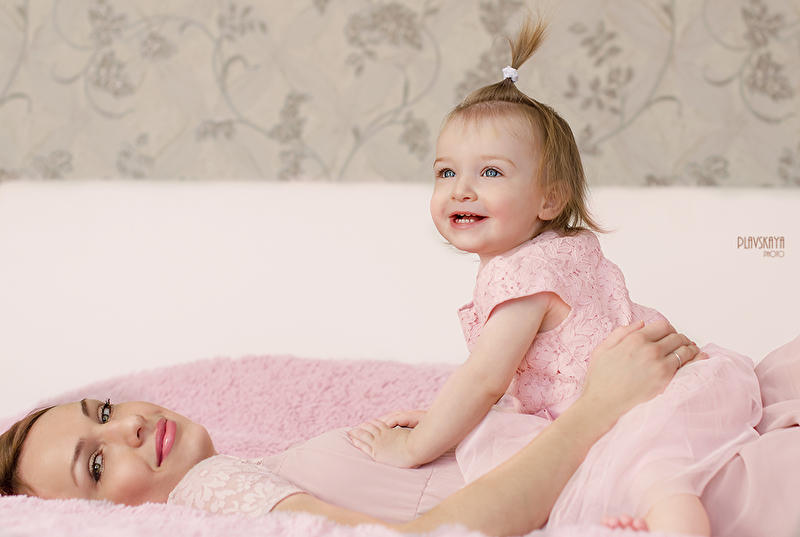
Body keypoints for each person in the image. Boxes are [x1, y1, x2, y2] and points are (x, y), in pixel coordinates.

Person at [348, 14, 761, 536]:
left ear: (550, 199)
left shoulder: (520, 277)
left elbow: (483, 380)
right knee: (654, 478)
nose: (461, 189)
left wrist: (415, 445)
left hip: (647, 398)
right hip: (664, 381)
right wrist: (439, 419)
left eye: (490, 172)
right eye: (446, 171)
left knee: (655, 471)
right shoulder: (561, 250)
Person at [1, 321, 701, 536]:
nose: (128, 424)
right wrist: (595, 407)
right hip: (615, 476)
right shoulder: (211, 490)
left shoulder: (248, 474)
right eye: (96, 465)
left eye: (103, 410)